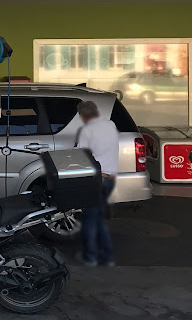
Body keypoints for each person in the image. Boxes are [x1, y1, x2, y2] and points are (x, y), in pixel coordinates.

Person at [76, 100, 119, 267]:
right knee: (98, 218)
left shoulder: (86, 130)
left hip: (96, 179)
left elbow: (82, 156)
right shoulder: (110, 125)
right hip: (110, 180)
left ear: (83, 116)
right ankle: (108, 256)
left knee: (89, 219)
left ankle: (90, 257)